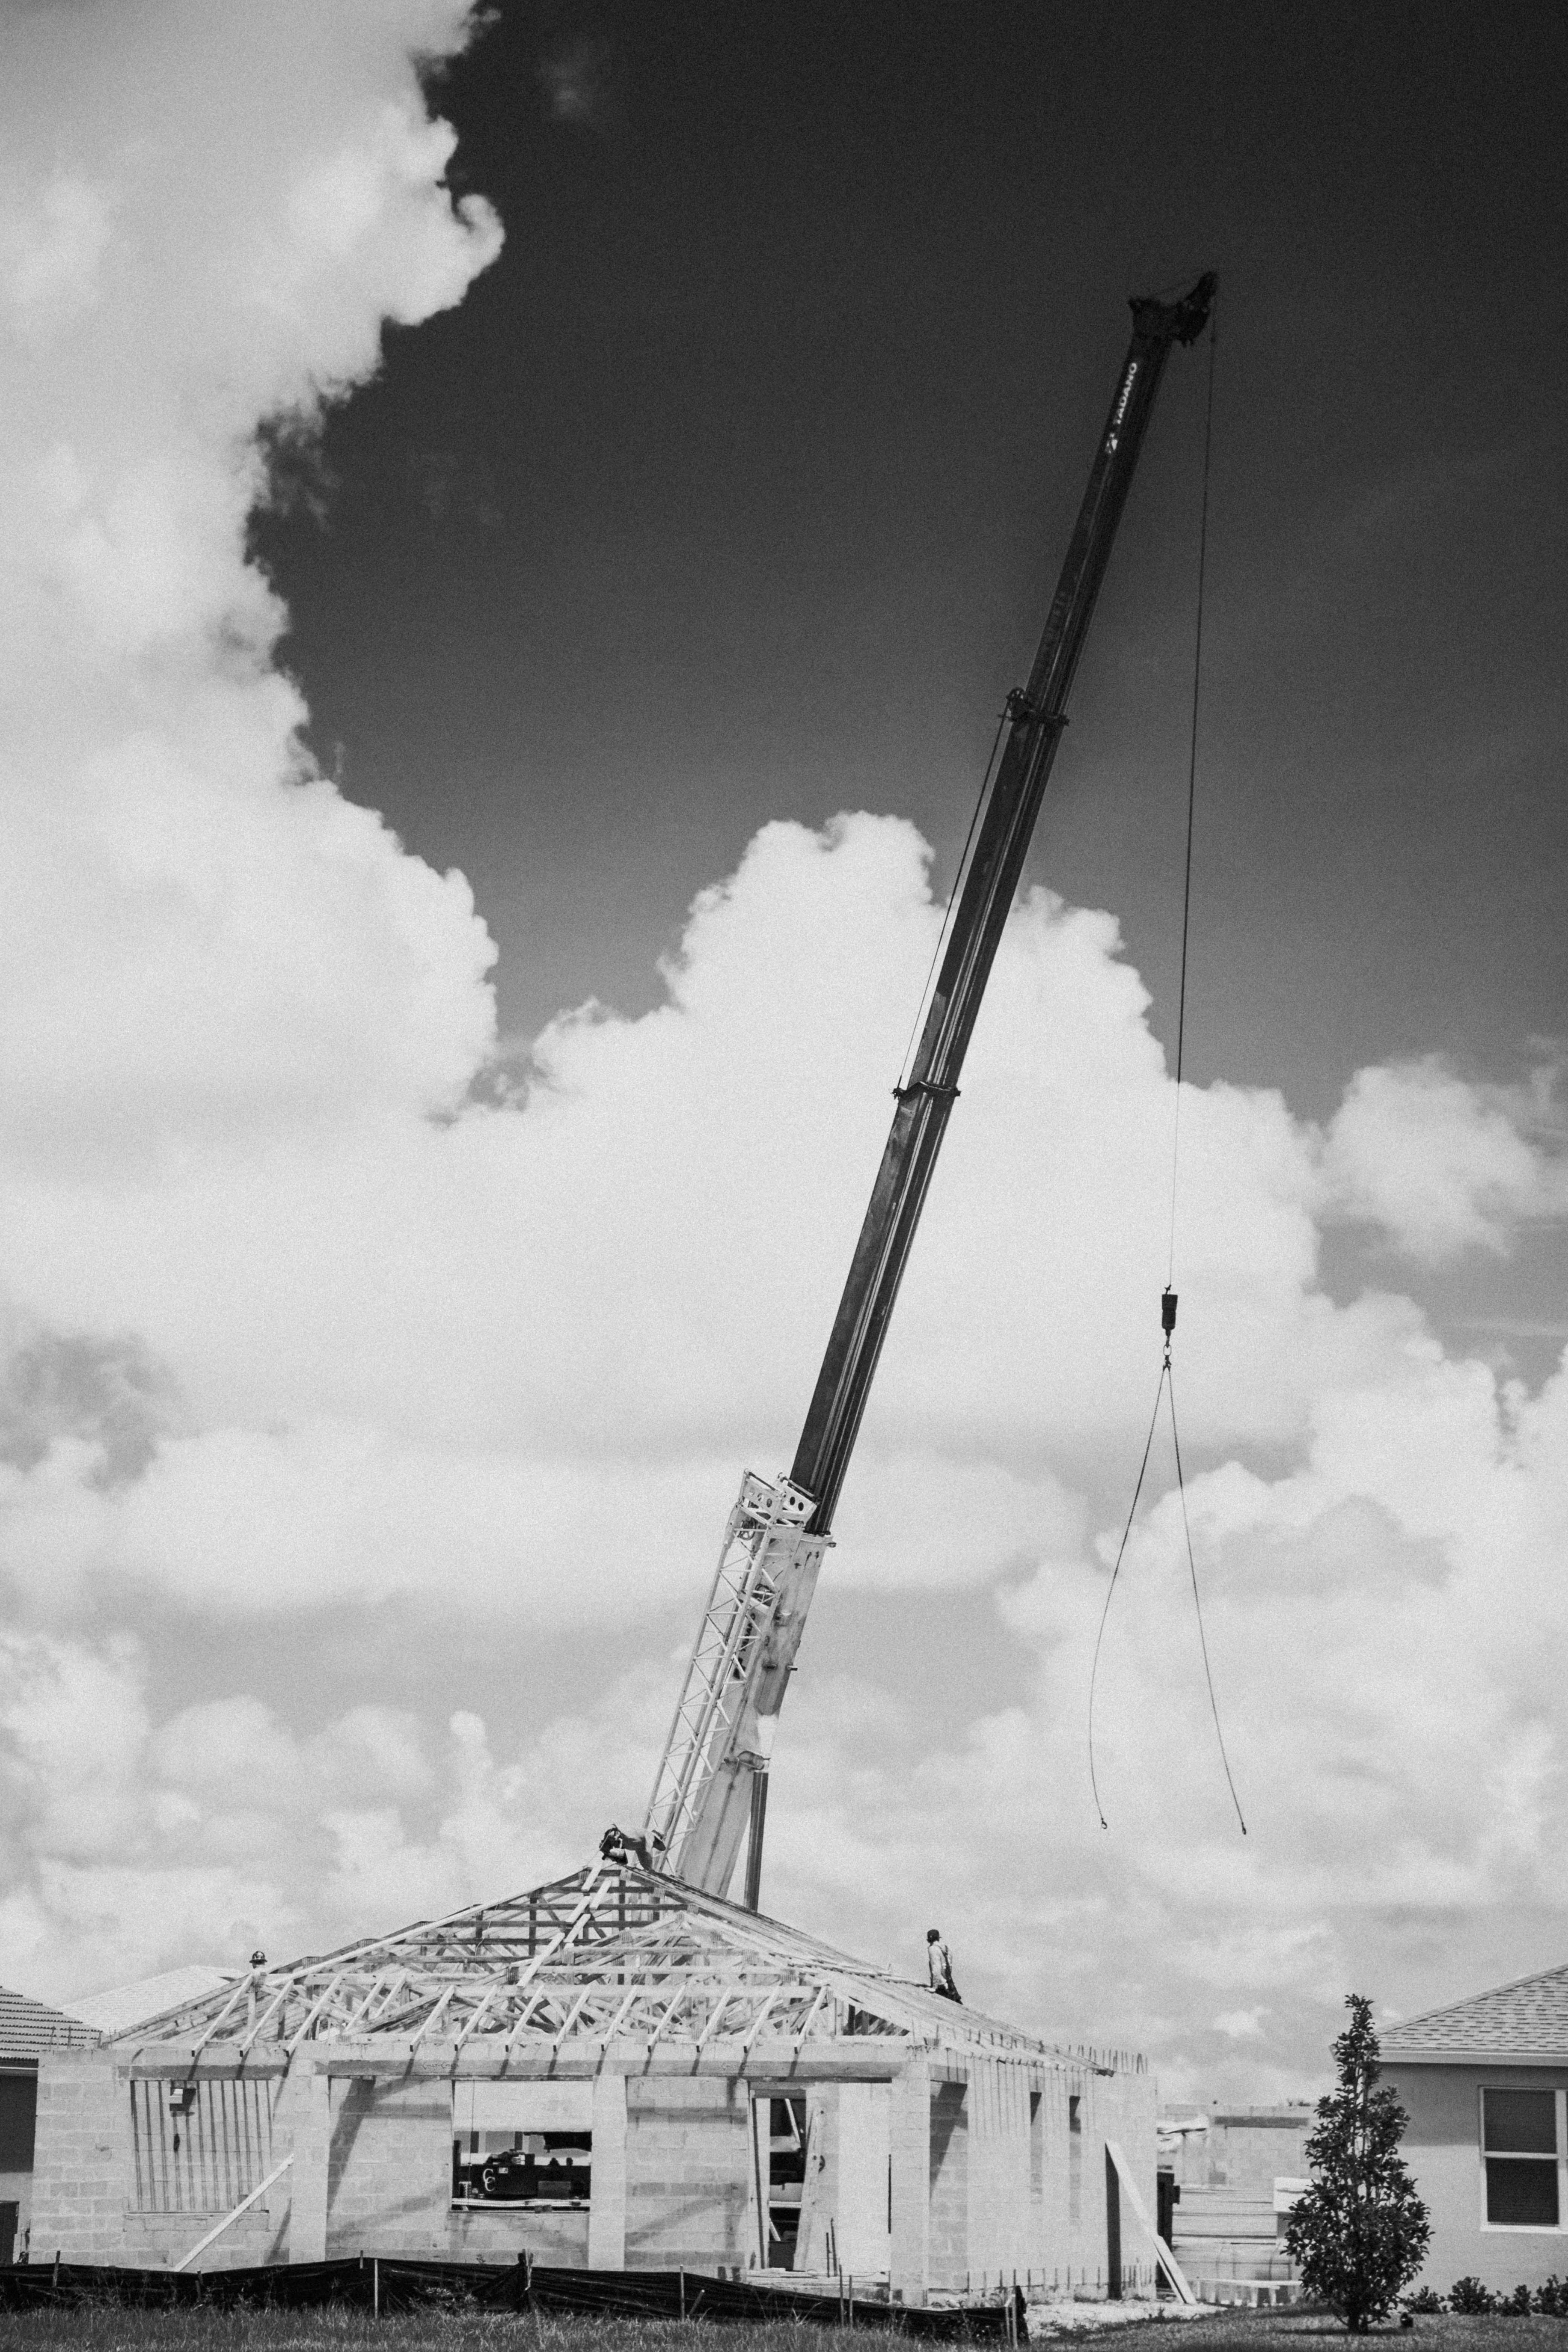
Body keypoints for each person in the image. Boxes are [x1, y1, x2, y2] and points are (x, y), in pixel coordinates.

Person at [926, 1927, 961, 2003]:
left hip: (942, 1987)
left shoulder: (933, 1949)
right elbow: (949, 1968)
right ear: (938, 1938)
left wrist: (935, 1987)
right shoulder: (947, 1949)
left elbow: (936, 1968)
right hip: (950, 1986)